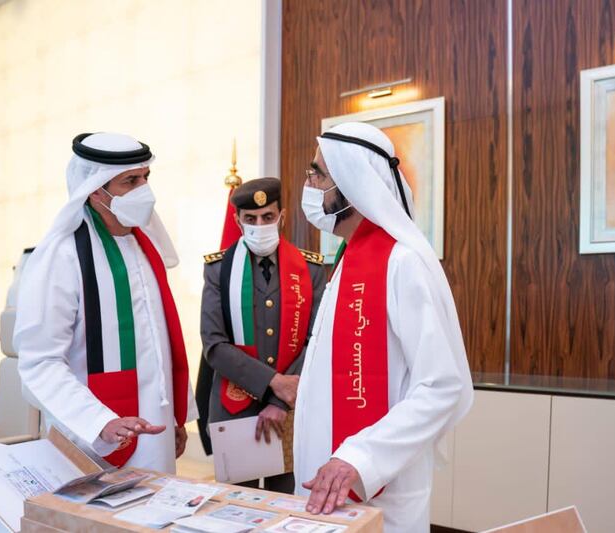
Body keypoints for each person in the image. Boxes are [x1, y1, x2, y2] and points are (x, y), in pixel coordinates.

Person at [294, 122, 473, 532]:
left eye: (317, 174)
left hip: (379, 490)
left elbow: (443, 385)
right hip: (328, 484)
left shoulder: (402, 262)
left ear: (353, 185)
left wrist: (360, 458)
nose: (309, 184)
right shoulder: (348, 258)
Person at [14, 132, 196, 473]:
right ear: (96, 189)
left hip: (155, 430)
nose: (145, 190)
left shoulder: (147, 247)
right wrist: (99, 422)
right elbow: (39, 363)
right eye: (131, 181)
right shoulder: (63, 257)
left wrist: (176, 416)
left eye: (146, 178)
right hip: (91, 437)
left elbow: (161, 345)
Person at [199, 177, 326, 493]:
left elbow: (318, 340)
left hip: (291, 409)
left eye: (268, 217)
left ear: (282, 216)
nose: (260, 225)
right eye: (250, 219)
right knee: (235, 509)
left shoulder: (311, 269)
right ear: (237, 221)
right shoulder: (219, 270)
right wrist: (274, 383)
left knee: (285, 505)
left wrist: (282, 400)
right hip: (234, 406)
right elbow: (214, 345)